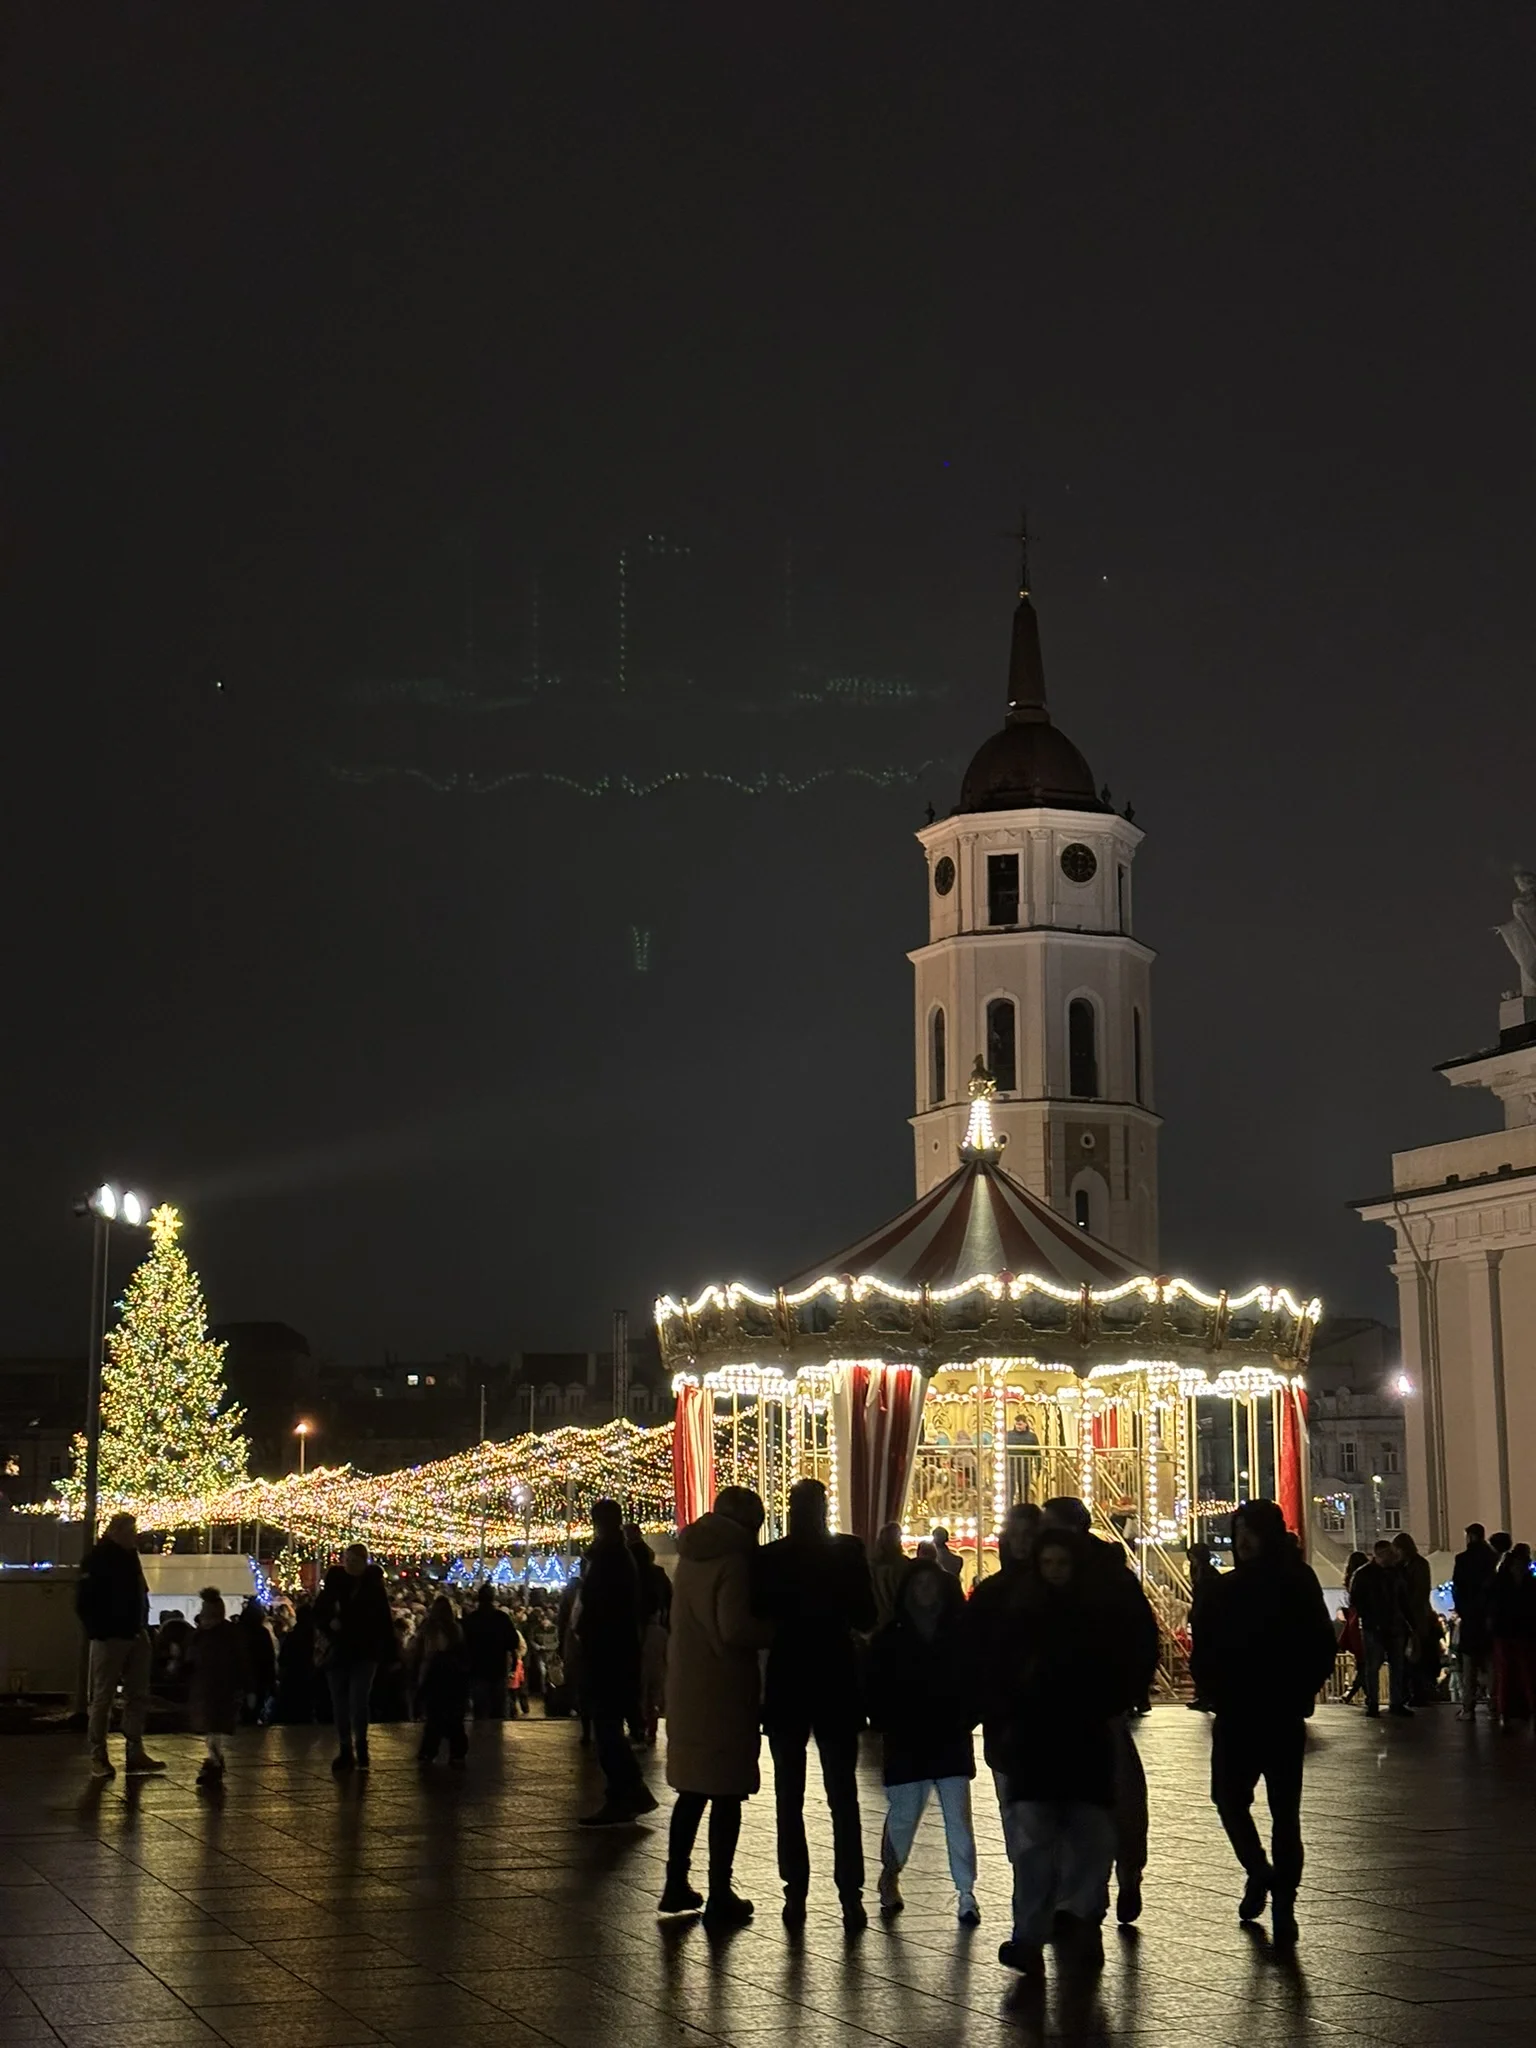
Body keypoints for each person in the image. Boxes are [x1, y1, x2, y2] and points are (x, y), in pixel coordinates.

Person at [983, 1528, 1140, 1977]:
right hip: (1038, 1747)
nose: (1054, 1572)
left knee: (1088, 1841)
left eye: (1061, 1564)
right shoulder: (1024, 1614)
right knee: (1036, 1850)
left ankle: (1077, 1918)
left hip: (1078, 1746)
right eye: (1048, 1564)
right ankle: (1031, 1934)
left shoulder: (1088, 1617)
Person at [1188, 1501, 1337, 1948]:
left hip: (1263, 1709)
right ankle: (1265, 1876)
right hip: (1256, 1709)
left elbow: (1317, 1644)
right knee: (1245, 1804)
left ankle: (1275, 1888)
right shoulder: (1291, 1581)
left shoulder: (1237, 1588)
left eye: (1249, 1531)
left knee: (1270, 1811)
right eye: (1239, 1531)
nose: (1244, 1540)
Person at [753, 1476, 878, 1929]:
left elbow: (761, 1615)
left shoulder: (771, 1558)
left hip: (789, 1679)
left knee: (790, 1793)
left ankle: (795, 1890)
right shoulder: (847, 1553)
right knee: (842, 1794)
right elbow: (866, 1616)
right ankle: (850, 1891)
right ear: (825, 1509)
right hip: (835, 1678)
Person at [1040, 1497, 1158, 1924]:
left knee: (1099, 1795)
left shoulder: (1077, 1578)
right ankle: (1104, 1877)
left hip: (1093, 1702)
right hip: (1087, 1702)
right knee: (1104, 1795)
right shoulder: (1105, 1575)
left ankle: (1105, 1878)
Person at [660, 1485, 773, 1929]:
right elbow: (734, 1627)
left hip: (689, 1686)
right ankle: (721, 1890)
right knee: (727, 1794)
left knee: (691, 1792)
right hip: (723, 1690)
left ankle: (675, 1882)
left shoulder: (690, 1558)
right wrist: (774, 1631)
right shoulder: (734, 1561)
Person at [867, 1557, 980, 1926]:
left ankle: (960, 1889)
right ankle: (958, 1890)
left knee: (934, 1817)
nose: (925, 1592)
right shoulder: (958, 1636)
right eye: (920, 1586)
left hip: (920, 1737)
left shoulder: (894, 1638)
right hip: (932, 1736)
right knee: (930, 1817)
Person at [576, 1498, 657, 1824]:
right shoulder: (614, 1556)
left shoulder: (612, 1559)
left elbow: (603, 1607)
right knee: (607, 1727)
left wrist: (585, 1630)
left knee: (607, 1727)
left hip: (608, 1654)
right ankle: (628, 1792)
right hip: (614, 1652)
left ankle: (628, 1792)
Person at [76, 1511, 164, 1779]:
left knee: (131, 1694)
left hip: (129, 1632)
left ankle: (126, 1751)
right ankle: (104, 1754)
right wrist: (100, 1630)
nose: (134, 1536)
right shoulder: (102, 1559)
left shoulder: (123, 1556)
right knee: (107, 1696)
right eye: (130, 1531)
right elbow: (85, 1601)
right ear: (116, 1531)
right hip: (115, 1634)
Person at [314, 1543, 396, 1773]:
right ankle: (345, 1748)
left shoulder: (373, 1586)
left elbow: (384, 1621)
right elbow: (318, 1611)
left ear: (364, 1562)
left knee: (358, 1700)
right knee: (339, 1702)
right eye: (346, 1559)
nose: (349, 1564)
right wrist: (330, 1623)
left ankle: (360, 1743)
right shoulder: (334, 1583)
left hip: (364, 1651)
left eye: (354, 1561)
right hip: (338, 1650)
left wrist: (390, 1654)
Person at [1348, 1539, 1412, 1717]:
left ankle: (1375, 1703)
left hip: (1379, 1625)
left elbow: (1355, 1600)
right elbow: (1403, 1600)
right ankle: (1392, 1702)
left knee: (1376, 1666)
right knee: (1392, 1665)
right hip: (1385, 1625)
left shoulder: (1363, 1574)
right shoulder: (1395, 1573)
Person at [188, 1588, 245, 1788]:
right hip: (217, 1687)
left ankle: (213, 1760)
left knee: (212, 1727)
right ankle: (214, 1760)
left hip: (212, 1688)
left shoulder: (202, 1636)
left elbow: (192, 1658)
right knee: (213, 1728)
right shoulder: (229, 1634)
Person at [626, 1523, 672, 1746]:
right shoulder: (658, 1574)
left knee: (636, 1682)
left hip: (630, 1629)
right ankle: (650, 1726)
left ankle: (639, 1726)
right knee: (653, 1681)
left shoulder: (624, 1569)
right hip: (655, 1629)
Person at [414, 1594, 471, 1764]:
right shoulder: (456, 1628)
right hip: (454, 1676)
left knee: (434, 1716)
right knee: (454, 1716)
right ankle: (457, 1751)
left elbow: (422, 1652)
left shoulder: (428, 1628)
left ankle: (429, 1750)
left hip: (433, 1673)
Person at [1453, 1525, 1497, 1718]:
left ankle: (1468, 1707)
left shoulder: (1462, 1559)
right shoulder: (1491, 1558)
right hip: (1488, 1618)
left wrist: (1463, 1611)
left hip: (1470, 1618)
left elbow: (1458, 1588)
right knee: (1490, 1665)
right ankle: (1494, 1706)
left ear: (1470, 1536)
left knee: (1469, 1666)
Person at [1490, 1542, 1536, 1727]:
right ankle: (1526, 1710)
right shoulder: (1529, 1583)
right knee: (1527, 1673)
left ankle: (1505, 1713)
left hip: (1505, 1631)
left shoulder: (1501, 1582)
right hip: (1521, 1632)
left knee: (1506, 1674)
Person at [463, 1583, 521, 1721]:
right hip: (498, 1667)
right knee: (498, 1710)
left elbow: (463, 1644)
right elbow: (513, 1642)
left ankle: (480, 1738)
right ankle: (495, 1739)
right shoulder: (502, 1618)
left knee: (480, 1710)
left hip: (477, 1668)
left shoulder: (471, 1620)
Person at [1392, 1532, 1437, 1704]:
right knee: (1412, 1658)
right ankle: (1413, 1693)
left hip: (1413, 1619)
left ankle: (1416, 1693)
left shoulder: (1412, 1566)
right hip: (1412, 1619)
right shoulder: (1413, 1565)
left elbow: (1418, 1594)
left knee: (1414, 1657)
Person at [1185, 1543, 1221, 1712]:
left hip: (1206, 1622)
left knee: (1202, 1660)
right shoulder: (1205, 1574)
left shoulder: (1205, 1575)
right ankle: (1204, 1695)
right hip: (1205, 1622)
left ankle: (1206, 1695)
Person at [1337, 1551, 1370, 1704]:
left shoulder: (1350, 1581)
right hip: (1363, 1621)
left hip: (1353, 1622)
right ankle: (1360, 1693)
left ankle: (1355, 1692)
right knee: (1366, 1662)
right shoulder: (1366, 1578)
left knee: (1362, 1662)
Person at [237, 1600, 276, 1725]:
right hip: (259, 1675)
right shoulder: (262, 1633)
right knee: (255, 1707)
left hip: (241, 1676)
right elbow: (269, 1657)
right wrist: (271, 1680)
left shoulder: (238, 1632)